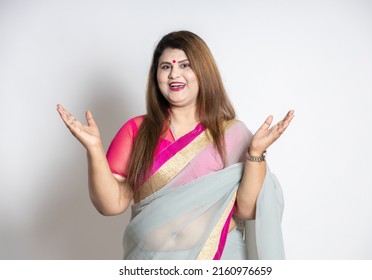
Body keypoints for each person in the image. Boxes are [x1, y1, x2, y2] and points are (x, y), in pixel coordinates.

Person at [57, 30, 294, 260]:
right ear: (155, 75)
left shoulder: (231, 134)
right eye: (166, 67)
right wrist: (94, 149)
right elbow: (111, 205)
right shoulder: (137, 131)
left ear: (203, 72)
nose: (174, 74)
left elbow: (248, 209)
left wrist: (255, 153)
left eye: (185, 65)